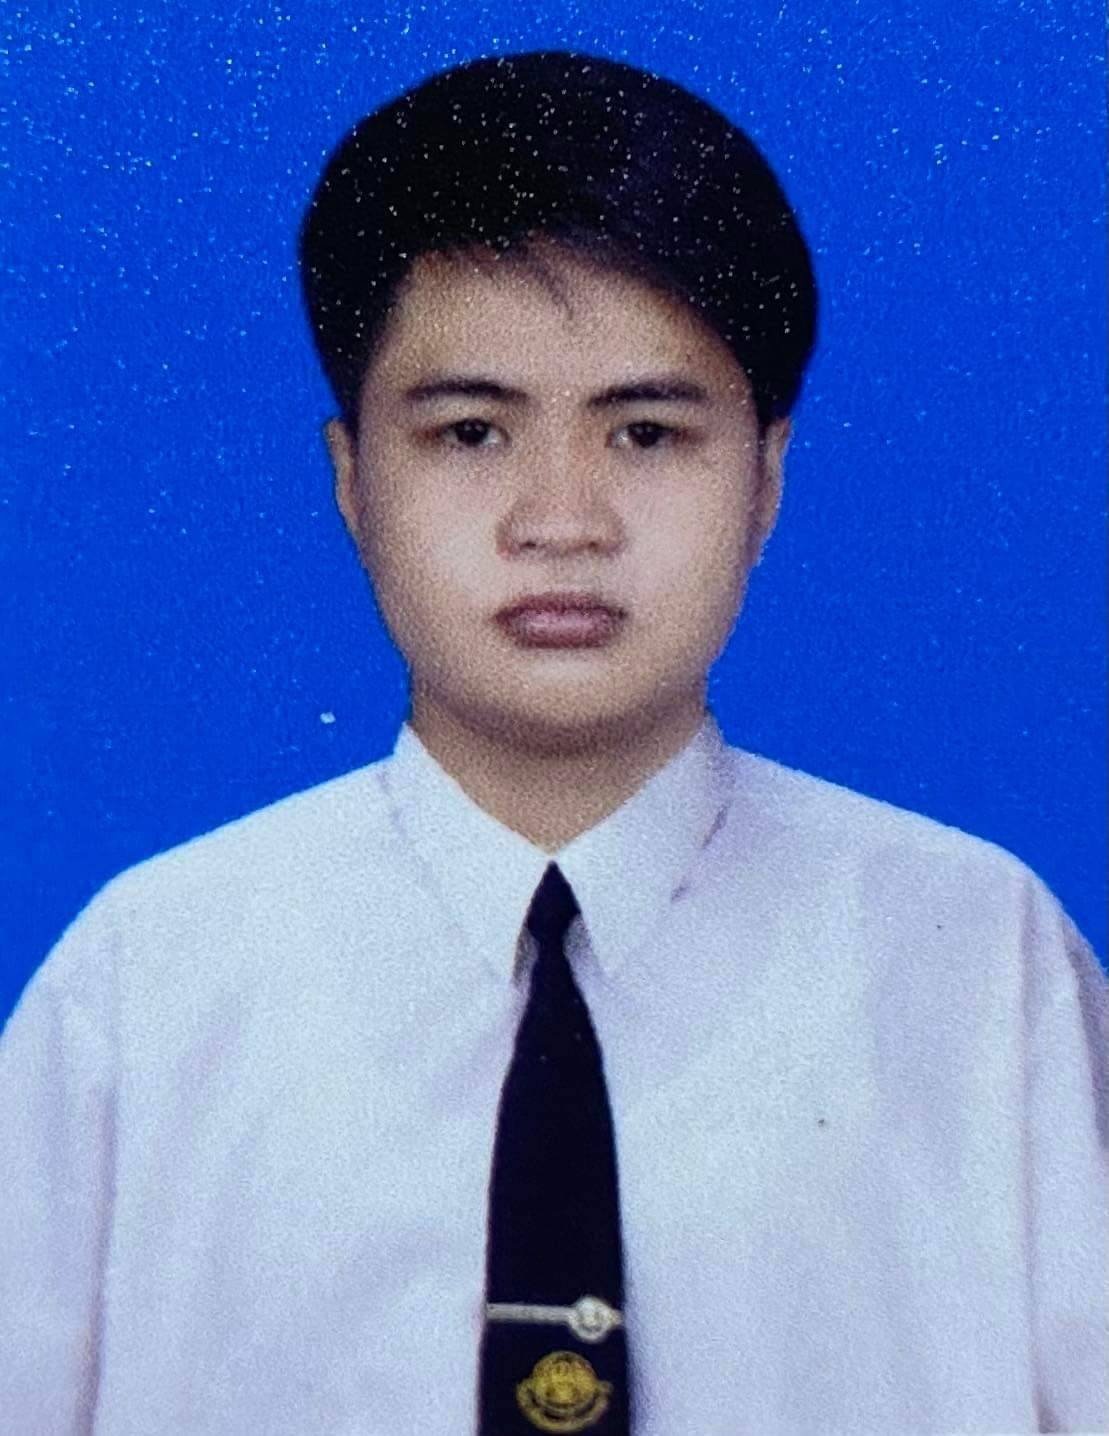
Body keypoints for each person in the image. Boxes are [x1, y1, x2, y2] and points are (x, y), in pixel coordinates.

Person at [1, 49, 1105, 1436]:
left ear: (766, 480)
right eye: (472, 433)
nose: (562, 522)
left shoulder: (983, 966)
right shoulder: (147, 984)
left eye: (646, 434)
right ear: (352, 482)